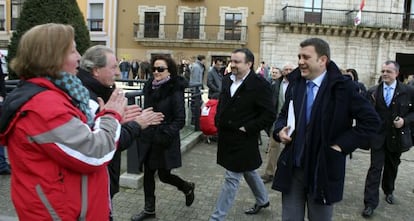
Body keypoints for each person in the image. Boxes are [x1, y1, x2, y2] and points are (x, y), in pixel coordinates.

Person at [0, 23, 128, 220]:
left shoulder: (55, 95)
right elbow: (94, 153)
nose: (79, 57)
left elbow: (74, 141)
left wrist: (107, 120)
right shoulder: (43, 107)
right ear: (51, 58)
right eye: (72, 51)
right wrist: (112, 117)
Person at [272, 38, 380, 221]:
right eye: (299, 56)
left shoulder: (343, 87)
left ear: (322, 60)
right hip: (293, 169)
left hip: (322, 170)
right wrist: (280, 130)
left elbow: (371, 121)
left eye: (306, 57)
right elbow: (283, 114)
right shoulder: (295, 83)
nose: (300, 61)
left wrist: (341, 146)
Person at [78, 45, 164, 201]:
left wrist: (120, 121)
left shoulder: (96, 92)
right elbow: (104, 144)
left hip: (102, 181)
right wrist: (137, 124)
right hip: (95, 184)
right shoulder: (88, 98)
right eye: (113, 67)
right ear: (96, 70)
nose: (118, 73)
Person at [209, 48, 275, 221]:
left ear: (249, 64)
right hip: (226, 136)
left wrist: (248, 128)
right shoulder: (226, 80)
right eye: (232, 61)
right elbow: (223, 102)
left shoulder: (260, 85)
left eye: (237, 62)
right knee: (248, 170)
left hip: (244, 139)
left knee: (231, 178)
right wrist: (217, 120)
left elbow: (269, 114)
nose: (233, 65)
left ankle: (217, 218)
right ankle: (263, 199)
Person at [131, 55, 195, 221]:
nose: (156, 72)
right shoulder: (149, 87)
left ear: (169, 71)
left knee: (165, 175)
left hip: (165, 139)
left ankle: (187, 187)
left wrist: (165, 133)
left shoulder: (175, 89)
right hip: (148, 137)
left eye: (161, 69)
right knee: (148, 174)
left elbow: (180, 119)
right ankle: (149, 210)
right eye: (154, 69)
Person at [361, 60, 414, 218]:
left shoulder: (408, 91)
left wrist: (405, 121)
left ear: (396, 73)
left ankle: (389, 190)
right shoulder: (372, 91)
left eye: (388, 71)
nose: (384, 74)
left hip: (396, 138)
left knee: (392, 166)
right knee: (375, 169)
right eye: (383, 71)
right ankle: (370, 203)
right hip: (378, 137)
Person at [260, 64, 294, 184]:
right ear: (283, 72)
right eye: (286, 69)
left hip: (294, 122)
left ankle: (289, 174)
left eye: (291, 69)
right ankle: (269, 173)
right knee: (273, 147)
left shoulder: (299, 84)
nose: (288, 71)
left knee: (292, 149)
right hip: (277, 121)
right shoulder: (276, 85)